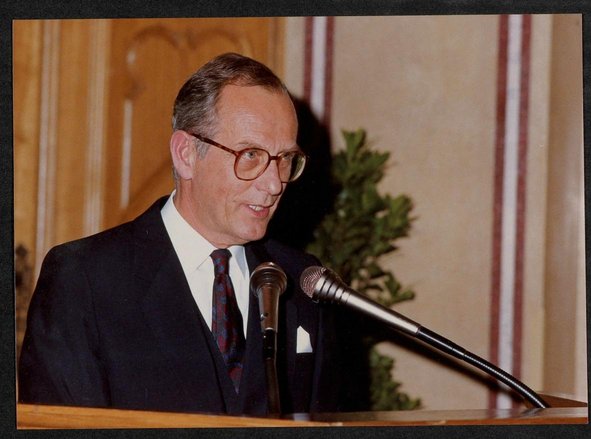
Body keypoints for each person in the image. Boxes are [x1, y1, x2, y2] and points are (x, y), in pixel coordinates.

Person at [18, 53, 347, 416]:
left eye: (284, 159)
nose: (273, 184)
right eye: (251, 155)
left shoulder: (301, 281)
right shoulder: (85, 280)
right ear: (186, 154)